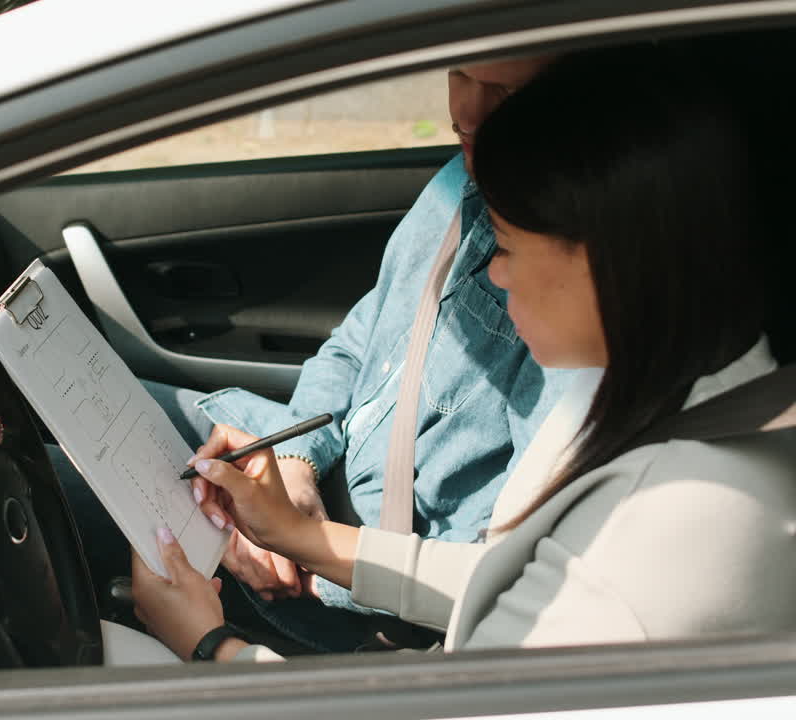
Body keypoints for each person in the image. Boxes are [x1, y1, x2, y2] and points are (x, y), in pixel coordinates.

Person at [131, 45, 796, 662]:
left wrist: (209, 646)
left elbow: (458, 691)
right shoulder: (640, 390)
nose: (493, 274)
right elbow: (504, 572)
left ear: (606, 259)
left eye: (505, 246)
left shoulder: (661, 528)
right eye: (459, 74)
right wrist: (298, 528)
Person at [54, 54, 574, 652]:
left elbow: (500, 572)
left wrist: (304, 556)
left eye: (504, 92)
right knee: (64, 406)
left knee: (35, 485)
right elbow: (357, 343)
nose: (465, 111)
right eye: (458, 72)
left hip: (356, 593)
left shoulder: (570, 296)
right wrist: (298, 464)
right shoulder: (458, 183)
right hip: (311, 477)